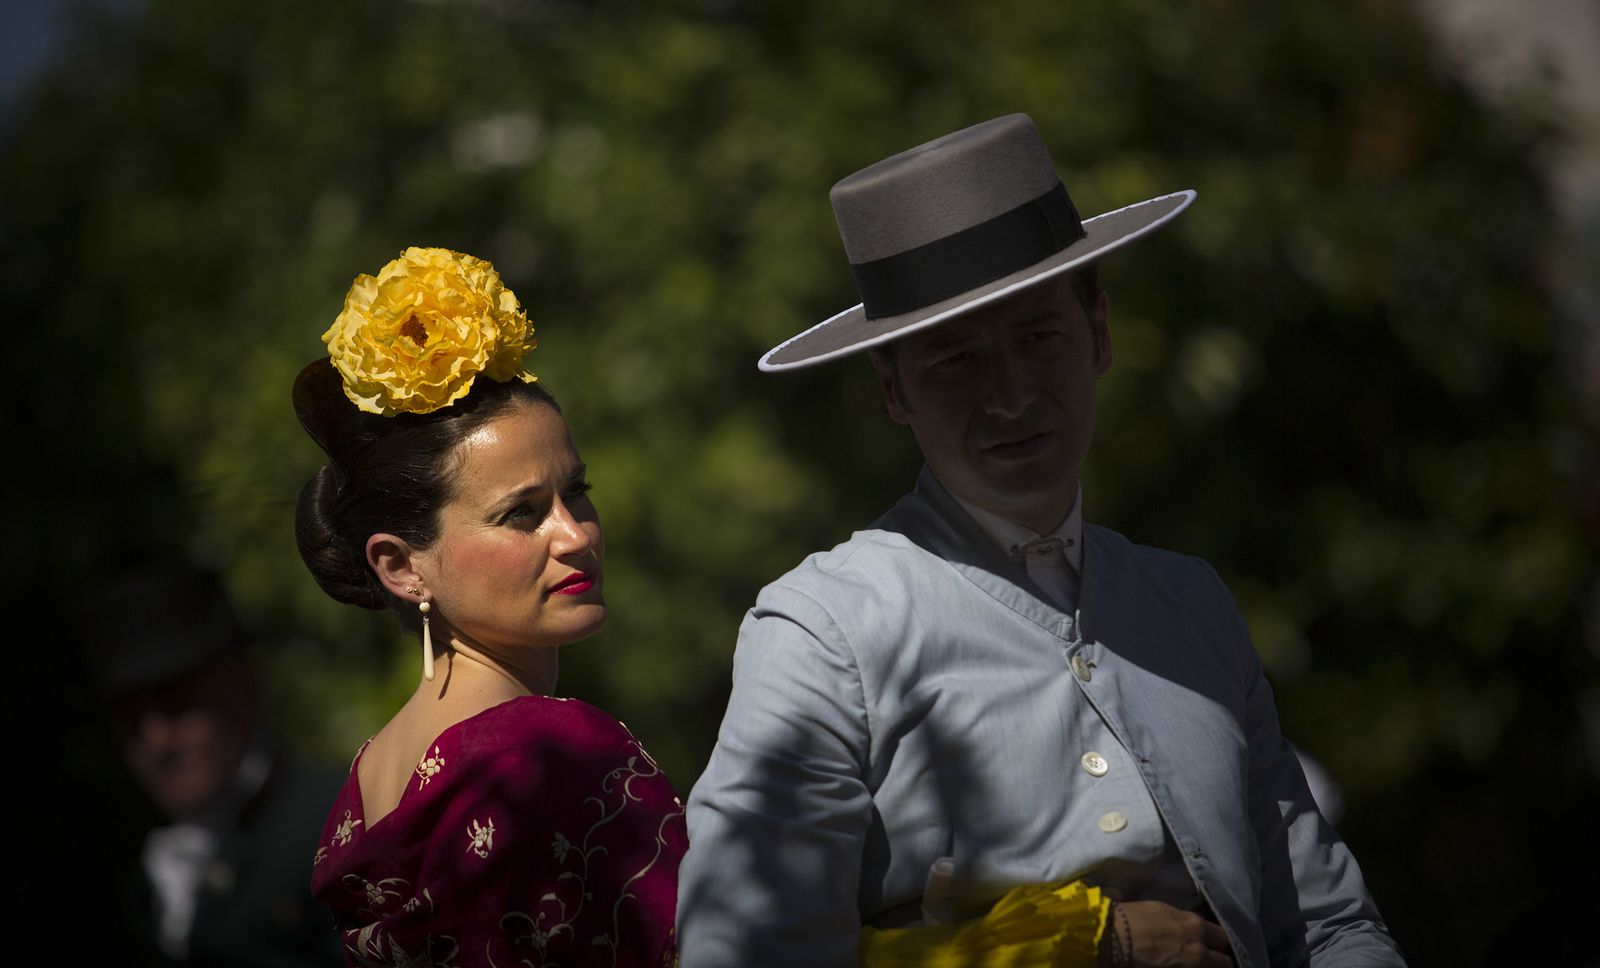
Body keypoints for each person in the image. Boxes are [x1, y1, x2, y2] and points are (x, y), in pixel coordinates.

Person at [677, 114, 1406, 967]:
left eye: (1037, 337)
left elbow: (1327, 925)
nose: (1011, 394)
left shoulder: (1191, 603)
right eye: (955, 360)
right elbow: (744, 951)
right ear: (893, 387)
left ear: (1098, 334)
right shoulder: (825, 633)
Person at [294, 246, 685, 966]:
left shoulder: (366, 777)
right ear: (401, 567)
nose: (575, 535)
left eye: (579, 492)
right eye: (521, 514)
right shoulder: (554, 750)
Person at [86, 562, 345, 968]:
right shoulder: (135, 872)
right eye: (130, 720)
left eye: (175, 703)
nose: (156, 741)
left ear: (244, 687)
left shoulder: (341, 822)